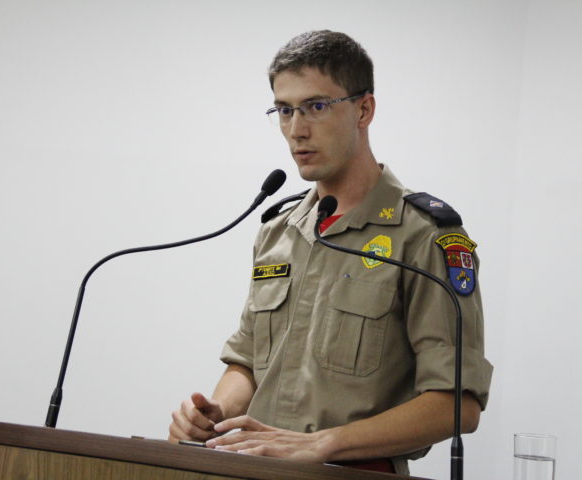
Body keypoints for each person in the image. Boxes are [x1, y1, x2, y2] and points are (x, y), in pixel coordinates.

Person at [168, 30, 492, 475]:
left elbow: (457, 404)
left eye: (316, 107)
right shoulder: (277, 233)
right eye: (284, 110)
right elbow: (247, 363)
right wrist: (212, 414)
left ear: (364, 109)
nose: (296, 129)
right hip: (255, 469)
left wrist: (320, 444)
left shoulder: (425, 235)